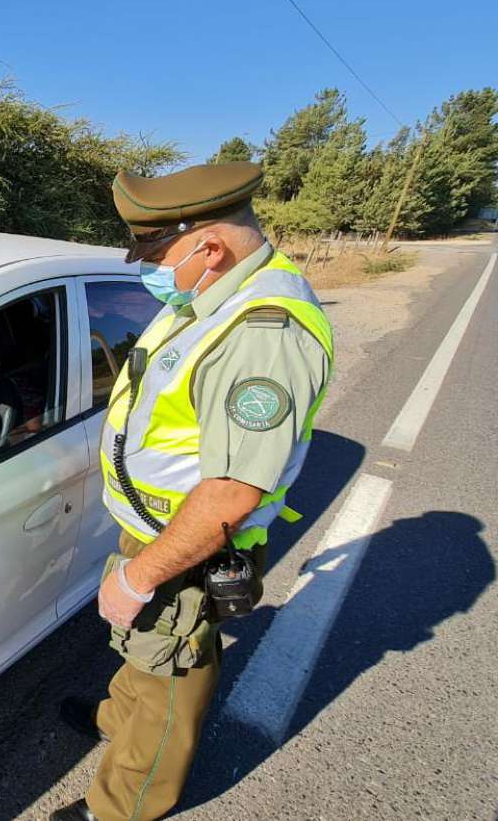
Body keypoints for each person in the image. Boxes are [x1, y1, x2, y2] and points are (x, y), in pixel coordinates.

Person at [50, 161, 334, 821]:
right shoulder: (214, 295)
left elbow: (231, 494)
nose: (144, 267)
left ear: (209, 246)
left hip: (190, 543)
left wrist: (141, 575)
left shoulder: (265, 334)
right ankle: (116, 721)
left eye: (153, 252)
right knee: (144, 648)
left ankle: (124, 806)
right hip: (160, 528)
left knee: (170, 669)